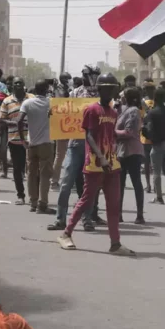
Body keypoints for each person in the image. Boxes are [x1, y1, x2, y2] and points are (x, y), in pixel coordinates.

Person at [57, 73, 134, 256]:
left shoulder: (114, 112)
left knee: (113, 204)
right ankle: (66, 234)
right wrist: (101, 157)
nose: (109, 91)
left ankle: (115, 243)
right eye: (106, 88)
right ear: (99, 89)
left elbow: (110, 135)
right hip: (95, 163)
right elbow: (89, 136)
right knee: (86, 200)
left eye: (112, 88)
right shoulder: (91, 110)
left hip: (112, 164)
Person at [48, 65, 105, 232]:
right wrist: (54, 112)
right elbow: (63, 110)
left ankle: (87, 219)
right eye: (89, 75)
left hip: (94, 145)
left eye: (95, 75)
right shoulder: (75, 93)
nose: (92, 78)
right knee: (66, 183)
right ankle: (60, 219)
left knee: (89, 186)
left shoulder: (102, 95)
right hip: (75, 143)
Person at [17, 80, 55, 214]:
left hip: (31, 143)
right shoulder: (50, 102)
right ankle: (42, 204)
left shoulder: (27, 103)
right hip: (46, 143)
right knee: (45, 174)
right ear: (46, 89)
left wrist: (22, 139)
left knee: (31, 174)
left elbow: (19, 121)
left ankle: (33, 203)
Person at [0, 78, 34, 205]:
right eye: (16, 83)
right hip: (14, 139)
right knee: (17, 169)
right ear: (12, 86)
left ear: (24, 85)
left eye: (21, 83)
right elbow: (2, 120)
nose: (18, 85)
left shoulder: (32, 98)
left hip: (31, 139)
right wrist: (15, 123)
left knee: (32, 169)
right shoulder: (7, 101)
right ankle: (21, 195)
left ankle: (33, 196)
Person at [116, 87, 146, 224]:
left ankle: (140, 214)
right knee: (119, 184)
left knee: (136, 183)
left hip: (132, 151)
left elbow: (129, 132)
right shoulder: (123, 109)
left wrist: (113, 132)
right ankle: (118, 214)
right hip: (121, 151)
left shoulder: (134, 111)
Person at [51, 72, 74, 189]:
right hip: (62, 125)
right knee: (60, 155)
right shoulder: (60, 90)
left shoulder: (67, 89)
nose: (70, 81)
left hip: (70, 124)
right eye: (68, 79)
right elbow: (62, 103)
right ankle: (54, 181)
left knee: (67, 155)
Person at [141, 80, 156, 193]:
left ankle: (155, 185)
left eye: (149, 89)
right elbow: (142, 117)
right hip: (145, 135)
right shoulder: (142, 102)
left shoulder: (157, 101)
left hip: (156, 135)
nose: (147, 91)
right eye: (146, 89)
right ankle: (148, 184)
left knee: (155, 162)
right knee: (147, 162)